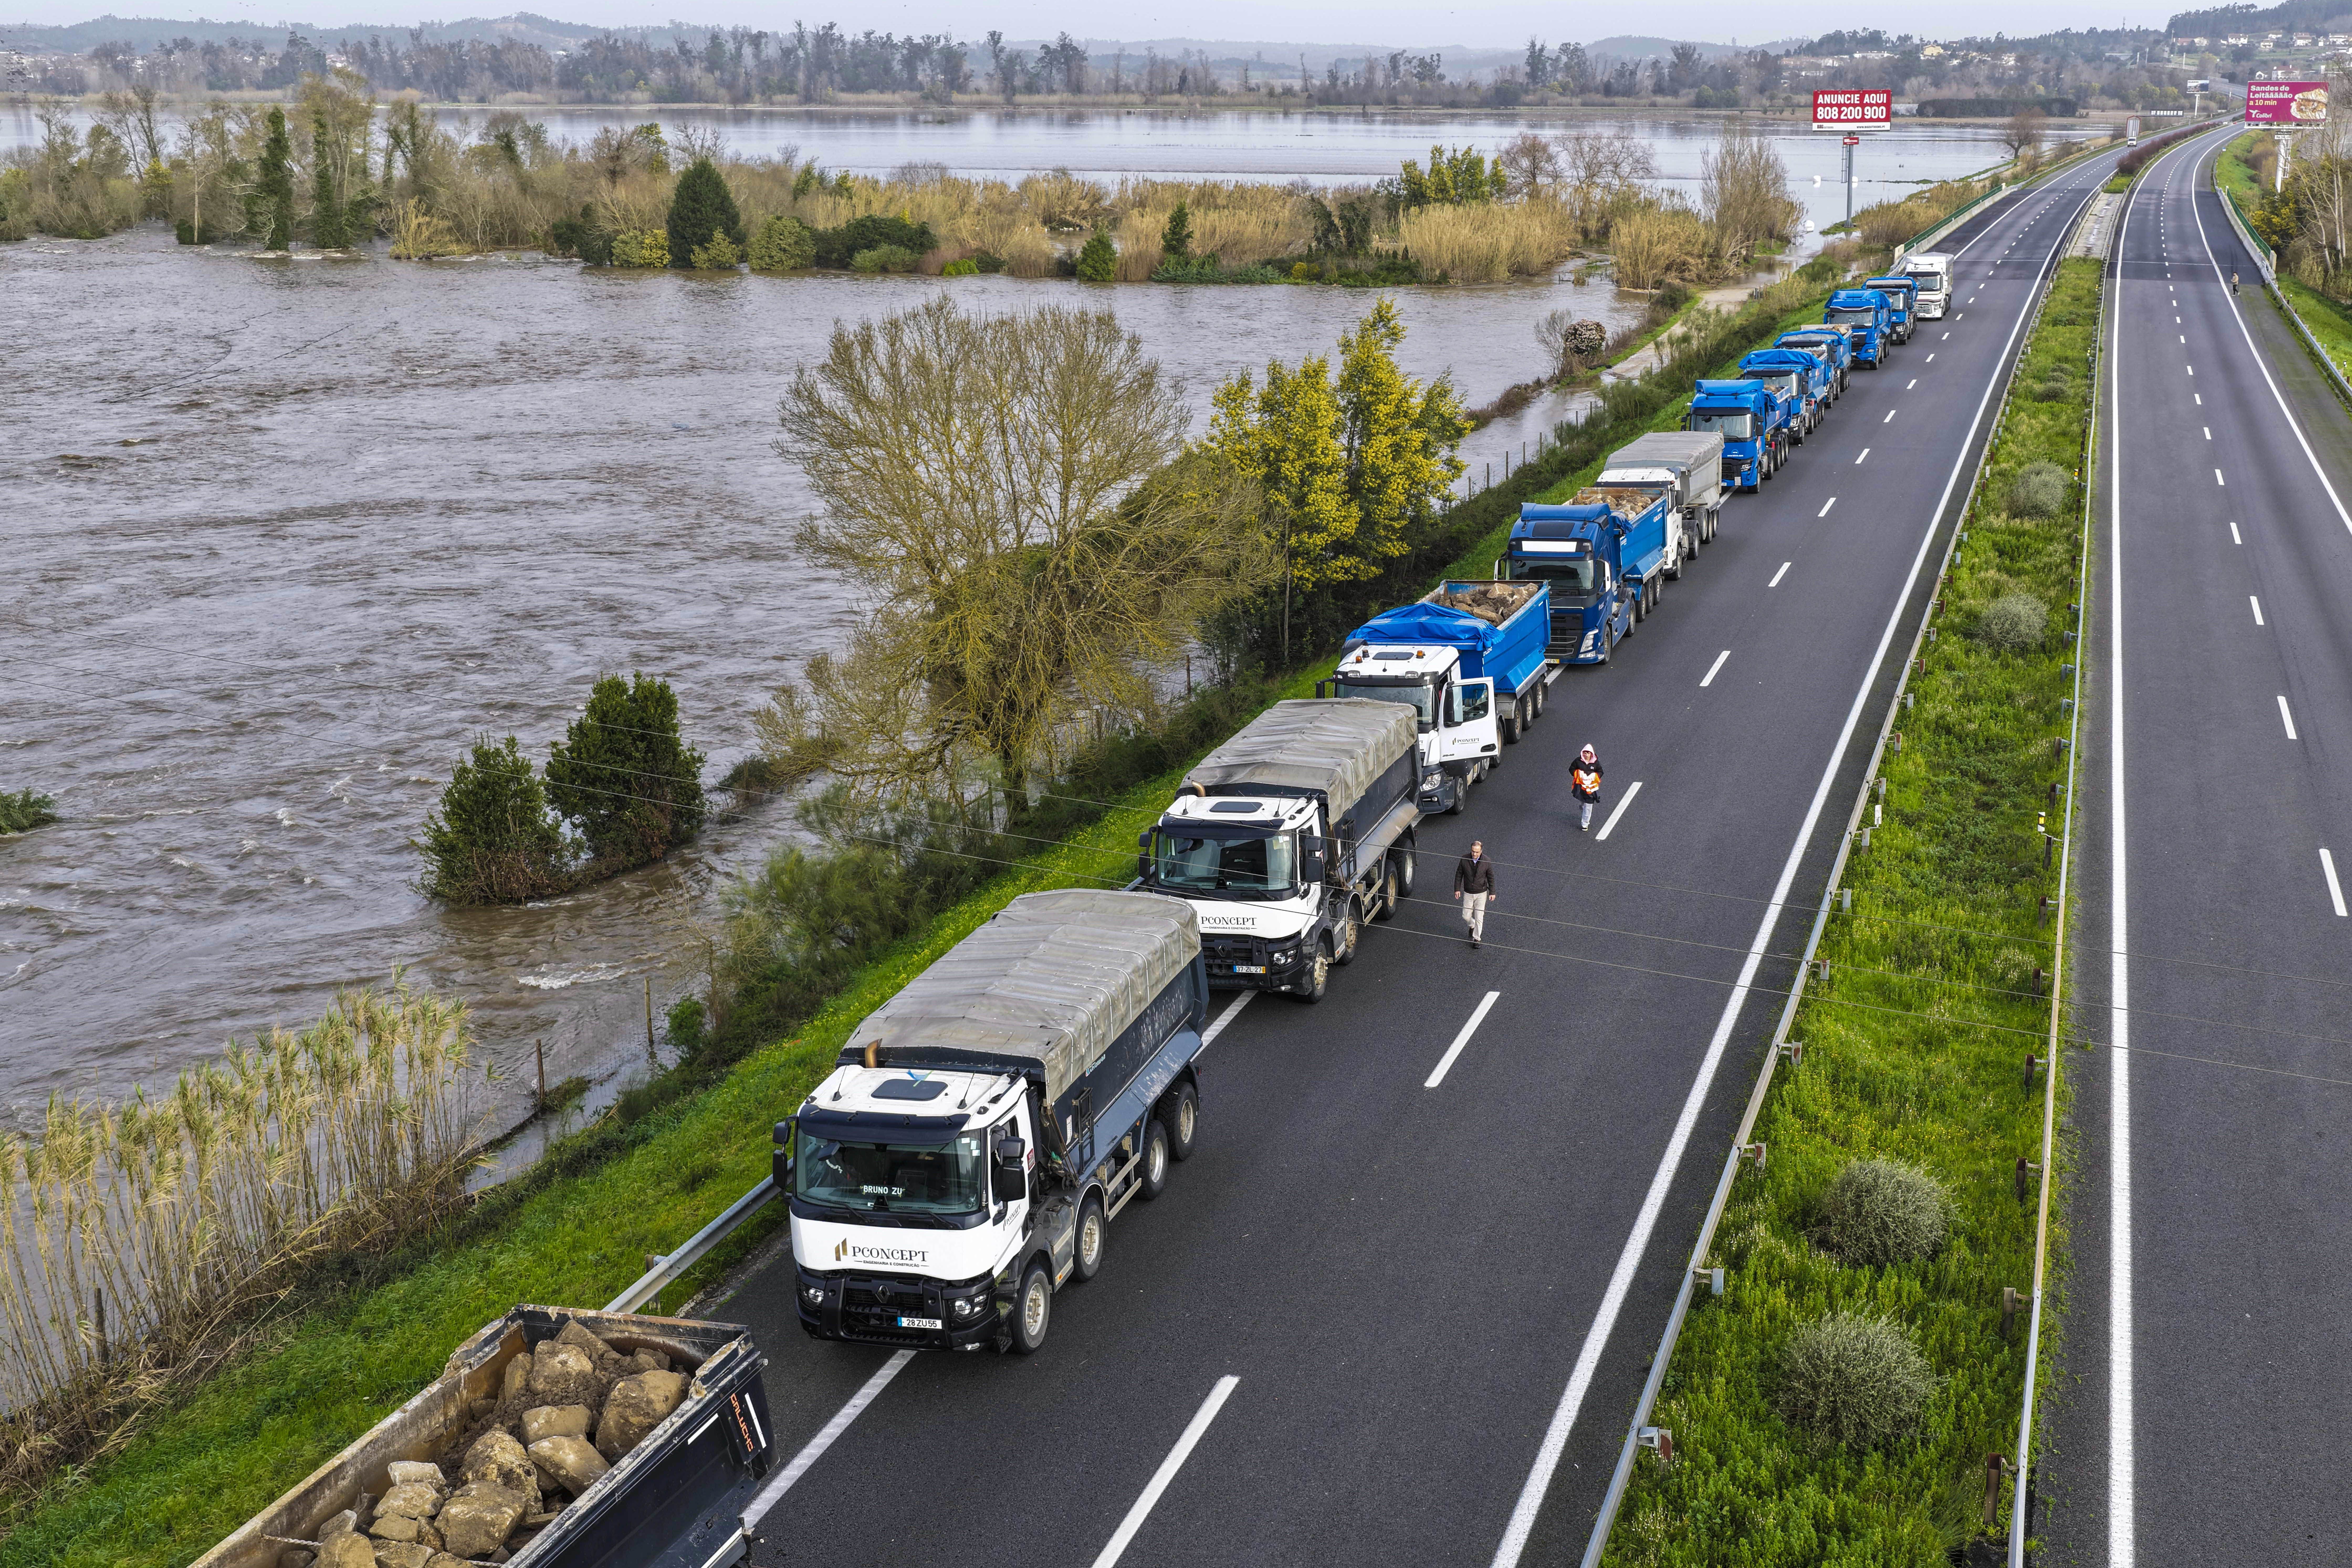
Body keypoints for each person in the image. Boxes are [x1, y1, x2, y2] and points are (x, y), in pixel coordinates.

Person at [1452, 840, 1495, 947]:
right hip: (1468, 893)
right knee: (1466, 916)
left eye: (1477, 852)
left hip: (1482, 893)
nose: (1475, 854)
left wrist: (1492, 892)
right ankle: (1472, 925)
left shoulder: (1487, 861)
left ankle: (1477, 939)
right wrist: (1457, 889)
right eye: (1473, 852)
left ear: (1481, 851)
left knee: (1480, 917)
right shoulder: (1464, 859)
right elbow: (1459, 875)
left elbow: (1491, 878)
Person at [1571, 744, 1605, 832]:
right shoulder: (1578, 762)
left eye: (1588, 753)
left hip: (1591, 789)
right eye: (1585, 753)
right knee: (1583, 804)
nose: (1586, 755)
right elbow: (1571, 769)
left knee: (1589, 806)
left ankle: (1585, 824)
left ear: (1592, 754)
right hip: (1581, 788)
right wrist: (1578, 774)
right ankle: (1584, 812)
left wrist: (1595, 776)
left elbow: (1601, 772)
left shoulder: (1596, 763)